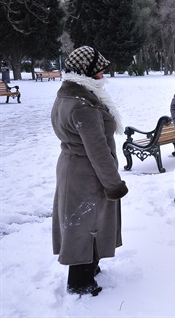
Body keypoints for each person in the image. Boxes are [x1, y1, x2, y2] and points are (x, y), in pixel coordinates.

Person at [51, 46, 129, 296]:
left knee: (87, 221)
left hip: (73, 167)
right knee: (83, 224)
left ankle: (91, 267)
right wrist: (113, 184)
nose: (104, 74)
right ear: (87, 72)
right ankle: (80, 282)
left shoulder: (69, 94)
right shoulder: (83, 105)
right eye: (100, 71)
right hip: (86, 173)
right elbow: (97, 150)